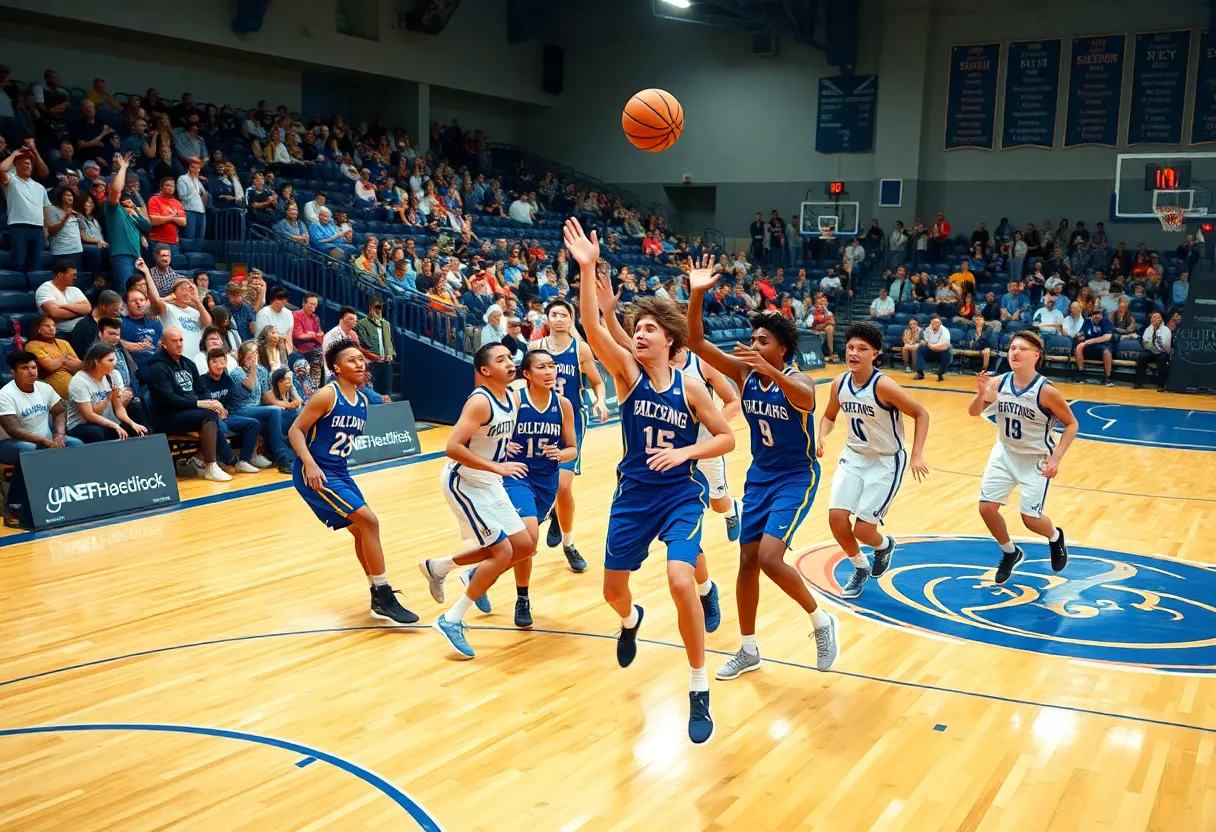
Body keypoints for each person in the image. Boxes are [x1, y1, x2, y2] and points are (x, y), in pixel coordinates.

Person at [568, 219, 734, 744]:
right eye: (634, 329)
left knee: (680, 579)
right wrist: (588, 267)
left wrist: (688, 449)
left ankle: (698, 685)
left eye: (646, 330)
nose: (637, 335)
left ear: (667, 341)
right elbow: (594, 329)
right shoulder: (627, 376)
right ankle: (631, 618)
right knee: (613, 590)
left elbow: (726, 437)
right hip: (633, 498)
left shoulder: (690, 387)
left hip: (681, 495)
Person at [684, 254, 837, 690]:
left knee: (770, 557)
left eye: (763, 340)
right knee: (747, 560)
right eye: (752, 339)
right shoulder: (747, 374)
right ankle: (748, 648)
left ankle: (821, 619)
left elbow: (806, 394)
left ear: (782, 348)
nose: (753, 345)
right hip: (760, 476)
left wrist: (771, 370)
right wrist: (697, 294)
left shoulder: (797, 381)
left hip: (795, 477)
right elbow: (695, 340)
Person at [288, 338, 419, 625]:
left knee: (362, 530)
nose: (360, 363)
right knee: (370, 522)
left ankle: (376, 595)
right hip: (316, 472)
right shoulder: (326, 394)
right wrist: (309, 464)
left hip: (340, 471)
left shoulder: (361, 399)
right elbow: (296, 430)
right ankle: (384, 594)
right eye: (352, 360)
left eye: (361, 359)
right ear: (336, 368)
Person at [419, 343, 536, 660]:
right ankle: (451, 619)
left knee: (524, 546)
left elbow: (491, 438)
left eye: (510, 358)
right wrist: (496, 464)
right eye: (500, 360)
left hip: (489, 481)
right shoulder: (480, 402)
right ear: (485, 371)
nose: (509, 363)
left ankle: (443, 567)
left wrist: (501, 452)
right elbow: (453, 447)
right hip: (464, 482)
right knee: (502, 553)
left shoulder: (511, 397)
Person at [817, 323, 930, 599]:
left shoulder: (884, 386)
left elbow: (921, 413)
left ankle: (883, 545)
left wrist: (916, 453)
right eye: (851, 348)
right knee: (836, 519)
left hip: (886, 461)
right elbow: (829, 416)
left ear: (875, 354)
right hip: (854, 456)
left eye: (862, 349)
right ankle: (860, 567)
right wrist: (822, 435)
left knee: (864, 530)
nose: (854, 353)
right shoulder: (839, 383)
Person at [968, 330, 1077, 584]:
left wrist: (1057, 458)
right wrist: (981, 392)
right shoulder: (999, 382)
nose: (1015, 353)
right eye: (1012, 348)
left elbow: (1072, 425)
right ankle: (1010, 552)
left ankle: (1054, 536)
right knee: (986, 507)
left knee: (1031, 520)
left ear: (1036, 355)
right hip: (1004, 453)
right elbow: (974, 412)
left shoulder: (1046, 391)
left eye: (1022, 349)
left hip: (1035, 459)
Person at [495, 349, 579, 628]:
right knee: (529, 540)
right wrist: (505, 446)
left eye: (552, 366)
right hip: (517, 476)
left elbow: (572, 449)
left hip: (547, 481)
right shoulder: (515, 400)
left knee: (526, 547)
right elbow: (490, 436)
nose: (549, 372)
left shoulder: (563, 404)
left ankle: (478, 575)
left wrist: (560, 453)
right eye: (541, 367)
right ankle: (523, 598)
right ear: (527, 375)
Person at [531, 298, 608, 572]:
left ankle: (568, 543)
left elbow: (598, 382)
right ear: (547, 319)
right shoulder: (536, 348)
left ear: (571, 319)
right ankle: (551, 513)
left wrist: (600, 401)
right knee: (545, 482)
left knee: (563, 485)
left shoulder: (580, 349)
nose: (559, 318)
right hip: (540, 420)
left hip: (572, 419)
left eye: (564, 314)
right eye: (554, 314)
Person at [0, 351, 85, 525]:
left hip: (44, 440)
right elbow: (13, 430)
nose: (32, 371)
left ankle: (73, 499)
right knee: (28, 451)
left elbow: (59, 411)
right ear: (13, 373)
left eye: (33, 367)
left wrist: (59, 434)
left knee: (76, 444)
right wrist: (45, 442)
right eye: (25, 368)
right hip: (10, 444)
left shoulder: (44, 387)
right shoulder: (5, 394)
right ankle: (14, 509)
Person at [143, 327, 232, 482]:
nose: (179, 344)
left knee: (212, 413)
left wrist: (213, 403)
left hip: (188, 412)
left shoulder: (188, 363)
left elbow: (202, 390)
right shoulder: (156, 367)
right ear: (164, 344)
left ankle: (224, 460)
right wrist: (200, 404)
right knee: (208, 415)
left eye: (181, 340)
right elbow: (169, 399)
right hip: (166, 416)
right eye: (174, 341)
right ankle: (213, 465)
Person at [65, 343, 149, 443]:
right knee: (97, 433)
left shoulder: (114, 375)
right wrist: (115, 425)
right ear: (96, 361)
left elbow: (119, 408)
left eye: (115, 359)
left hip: (106, 422)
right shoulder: (79, 381)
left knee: (135, 430)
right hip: (81, 425)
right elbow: (89, 415)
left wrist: (133, 424)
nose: (115, 363)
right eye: (110, 360)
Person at [1072, 307, 1114, 386]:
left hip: (1102, 345)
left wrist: (1092, 340)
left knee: (1106, 352)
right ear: (1091, 316)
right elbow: (1081, 334)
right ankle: (1081, 374)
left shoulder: (1105, 321)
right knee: (1079, 346)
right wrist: (1077, 336)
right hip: (1090, 346)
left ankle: (1107, 378)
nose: (1097, 316)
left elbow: (1107, 337)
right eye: (1095, 314)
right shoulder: (1088, 322)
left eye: (1099, 314)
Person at [1135, 311, 1172, 392]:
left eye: (1157, 317)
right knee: (1142, 356)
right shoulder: (1148, 329)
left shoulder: (1166, 330)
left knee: (1162, 359)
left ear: (1161, 319)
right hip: (1151, 351)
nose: (1155, 319)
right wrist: (1147, 342)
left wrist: (1159, 341)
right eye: (1153, 317)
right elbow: (1145, 344)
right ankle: (1138, 383)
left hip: (1162, 351)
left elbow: (1168, 349)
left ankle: (1161, 385)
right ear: (1151, 320)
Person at [915, 315, 952, 381]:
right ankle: (920, 373)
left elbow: (945, 345)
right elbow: (925, 340)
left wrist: (932, 346)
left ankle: (940, 373)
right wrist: (924, 343)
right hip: (930, 349)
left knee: (947, 351)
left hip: (941, 350)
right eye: (931, 323)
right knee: (920, 349)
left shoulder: (945, 331)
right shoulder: (928, 329)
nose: (932, 324)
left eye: (935, 322)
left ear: (939, 323)